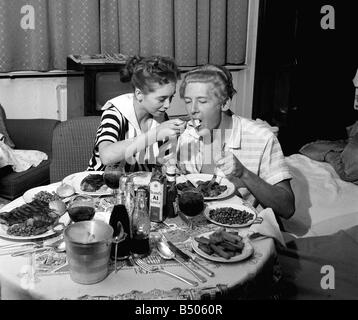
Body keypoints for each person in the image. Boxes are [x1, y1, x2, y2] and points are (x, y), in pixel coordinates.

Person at [177, 64, 295, 219]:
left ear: (224, 103)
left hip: (246, 228)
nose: (192, 110)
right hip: (198, 223)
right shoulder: (187, 135)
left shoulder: (262, 138)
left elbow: (287, 208)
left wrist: (244, 174)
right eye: (187, 101)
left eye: (202, 101)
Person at [87, 55, 186, 172]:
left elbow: (162, 162)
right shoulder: (115, 113)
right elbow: (106, 156)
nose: (167, 105)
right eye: (161, 99)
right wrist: (154, 134)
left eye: (171, 98)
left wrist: (170, 165)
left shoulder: (160, 116)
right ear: (139, 94)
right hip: (102, 184)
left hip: (138, 186)